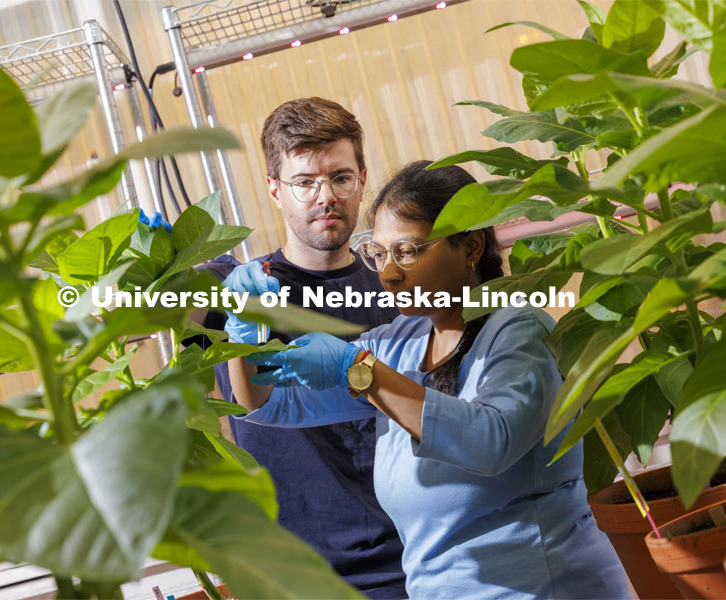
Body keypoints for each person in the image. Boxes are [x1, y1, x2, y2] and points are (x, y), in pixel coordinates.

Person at [225, 162, 631, 599]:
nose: (388, 274)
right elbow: (268, 404)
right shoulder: (399, 344)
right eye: (379, 254)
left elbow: (490, 442)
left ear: (471, 246)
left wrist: (355, 368)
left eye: (407, 251)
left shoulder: (520, 332)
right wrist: (244, 329)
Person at [198, 98, 407, 598]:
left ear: (361, 178)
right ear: (275, 189)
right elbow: (121, 314)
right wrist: (154, 269)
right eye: (305, 182)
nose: (325, 196)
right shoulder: (232, 287)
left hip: (405, 562)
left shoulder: (397, 292)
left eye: (340, 178)